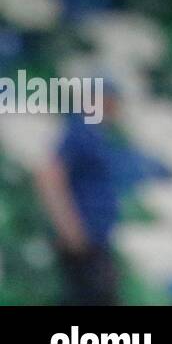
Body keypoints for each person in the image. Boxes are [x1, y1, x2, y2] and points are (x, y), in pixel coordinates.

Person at [32, 85, 126, 305]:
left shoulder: (97, 134)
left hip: (94, 239)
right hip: (83, 238)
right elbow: (50, 176)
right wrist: (69, 227)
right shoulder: (82, 129)